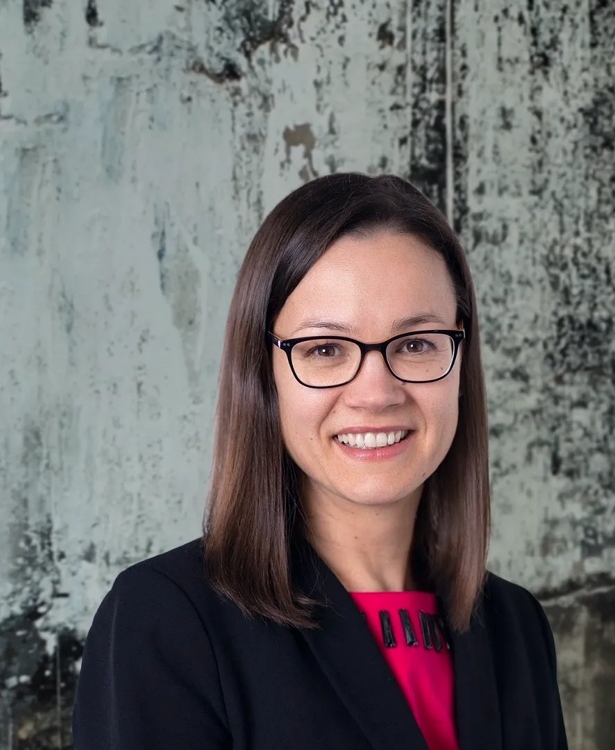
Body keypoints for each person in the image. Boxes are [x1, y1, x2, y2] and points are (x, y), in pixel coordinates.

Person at [72, 173, 569, 749]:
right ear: (264, 376)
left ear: (460, 358)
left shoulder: (518, 626)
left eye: (416, 344)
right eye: (325, 349)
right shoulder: (166, 622)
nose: (376, 394)